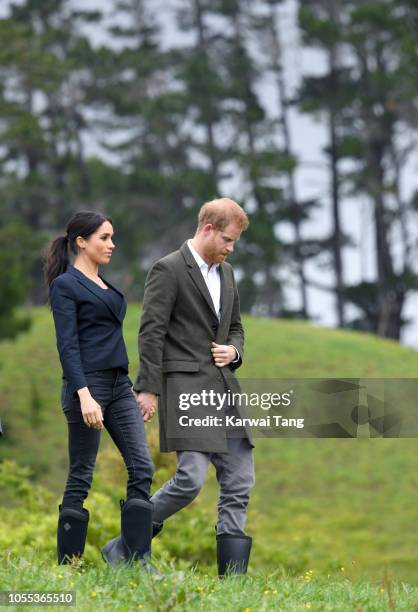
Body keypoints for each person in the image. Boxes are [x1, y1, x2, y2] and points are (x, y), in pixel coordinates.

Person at [103, 198, 255, 576]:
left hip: (225, 391)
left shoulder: (228, 274)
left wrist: (233, 350)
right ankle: (127, 545)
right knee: (189, 480)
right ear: (207, 229)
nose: (230, 248)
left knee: (240, 480)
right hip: (187, 389)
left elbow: (235, 326)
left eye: (234, 242)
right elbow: (151, 332)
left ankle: (233, 583)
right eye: (227, 239)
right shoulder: (168, 269)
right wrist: (148, 388)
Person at [45, 211, 154, 566]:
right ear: (81, 241)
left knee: (142, 467)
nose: (111, 244)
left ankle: (134, 563)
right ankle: (68, 567)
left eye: (112, 237)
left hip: (120, 385)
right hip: (86, 388)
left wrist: (138, 388)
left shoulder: (104, 283)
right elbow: (67, 345)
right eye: (104, 238)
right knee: (81, 475)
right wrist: (84, 394)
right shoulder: (66, 285)